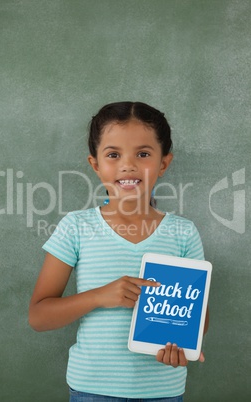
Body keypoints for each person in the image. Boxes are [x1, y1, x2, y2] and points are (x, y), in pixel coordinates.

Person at [29, 101, 209, 402]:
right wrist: (100, 295)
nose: (128, 165)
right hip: (91, 389)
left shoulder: (183, 233)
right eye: (114, 154)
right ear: (96, 164)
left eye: (143, 154)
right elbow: (39, 316)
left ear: (163, 163)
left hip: (162, 390)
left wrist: (184, 343)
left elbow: (196, 316)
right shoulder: (77, 226)